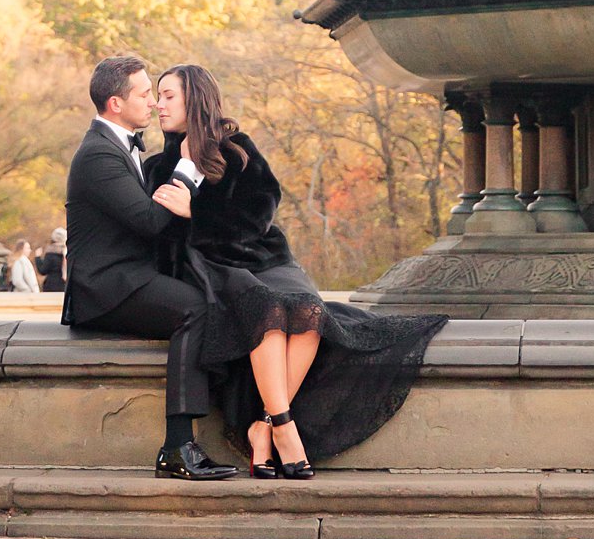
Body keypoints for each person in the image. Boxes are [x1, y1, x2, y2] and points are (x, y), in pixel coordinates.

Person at [146, 63, 446, 478]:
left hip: (264, 255)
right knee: (266, 311)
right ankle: (285, 429)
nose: (158, 105)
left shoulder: (237, 148)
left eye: (168, 96)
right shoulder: (157, 168)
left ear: (194, 99)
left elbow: (260, 211)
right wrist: (188, 219)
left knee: (308, 310)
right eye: (158, 96)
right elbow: (161, 238)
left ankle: (263, 425)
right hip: (212, 266)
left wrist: (196, 211)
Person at [61, 53, 236, 481]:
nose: (154, 104)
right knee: (195, 307)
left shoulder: (122, 147)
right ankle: (178, 446)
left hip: (129, 278)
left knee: (215, 300)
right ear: (116, 104)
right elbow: (150, 221)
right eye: (144, 94)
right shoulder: (98, 156)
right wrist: (189, 164)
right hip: (103, 288)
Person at [36, 227, 67, 294]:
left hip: (51, 286)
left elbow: (43, 271)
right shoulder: (67, 253)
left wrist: (37, 258)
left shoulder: (51, 253)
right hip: (65, 285)